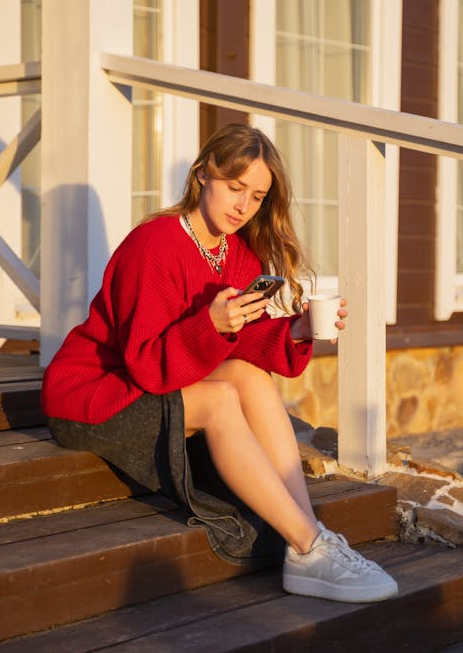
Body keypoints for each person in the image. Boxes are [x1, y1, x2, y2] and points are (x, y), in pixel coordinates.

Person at [41, 122, 398, 604]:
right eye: (235, 188)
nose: (243, 206)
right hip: (95, 395)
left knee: (248, 376)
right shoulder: (153, 245)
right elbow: (145, 364)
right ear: (203, 174)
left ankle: (310, 535)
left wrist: (293, 330)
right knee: (220, 399)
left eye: (256, 196)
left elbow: (239, 346)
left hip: (153, 385)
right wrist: (211, 323)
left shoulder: (237, 252)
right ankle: (309, 542)